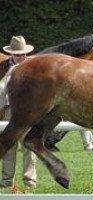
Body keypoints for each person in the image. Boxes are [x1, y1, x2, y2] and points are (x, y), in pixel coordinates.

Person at [0, 36, 37, 188]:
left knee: (29, 144)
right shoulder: (2, 66)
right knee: (8, 144)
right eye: (17, 54)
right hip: (8, 109)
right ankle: (7, 180)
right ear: (11, 55)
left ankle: (30, 180)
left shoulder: (34, 66)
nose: (20, 57)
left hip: (28, 110)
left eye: (23, 54)